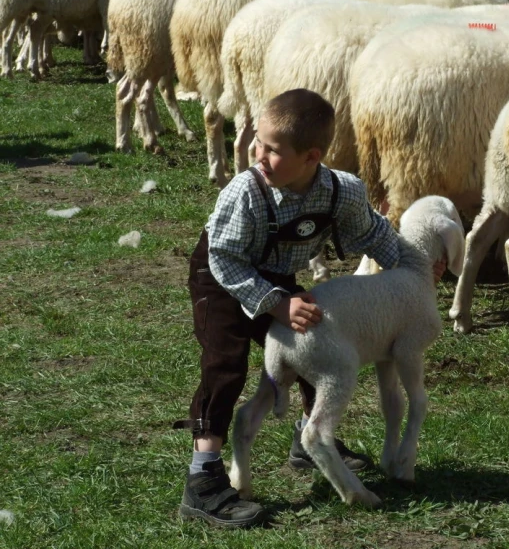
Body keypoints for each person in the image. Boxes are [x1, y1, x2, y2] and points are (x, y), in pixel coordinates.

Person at [174, 89, 445, 528]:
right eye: (257, 142)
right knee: (225, 363)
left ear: (312, 156)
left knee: (316, 338)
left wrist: (416, 268)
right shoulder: (244, 191)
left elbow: (376, 238)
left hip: (278, 278)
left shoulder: (341, 192)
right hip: (222, 279)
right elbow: (223, 258)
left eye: (272, 149)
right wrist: (274, 303)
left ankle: (311, 438)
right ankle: (203, 476)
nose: (257, 154)